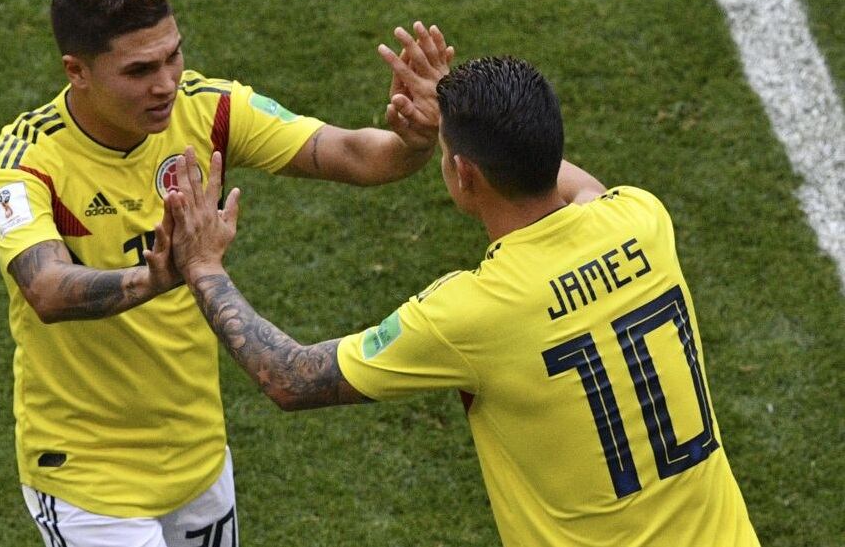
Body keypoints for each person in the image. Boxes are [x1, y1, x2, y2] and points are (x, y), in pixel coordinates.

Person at [160, 55, 762, 546]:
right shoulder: (641, 220)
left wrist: (205, 266)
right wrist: (460, 110)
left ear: (464, 175)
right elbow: (571, 184)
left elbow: (289, 377)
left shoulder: (470, 314)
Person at [0, 0, 452, 547]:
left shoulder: (208, 109)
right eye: (140, 70)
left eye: (174, 55)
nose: (166, 83)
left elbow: (352, 154)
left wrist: (414, 138)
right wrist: (157, 276)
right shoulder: (22, 165)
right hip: (86, 478)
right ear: (78, 71)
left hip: (198, 459)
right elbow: (45, 288)